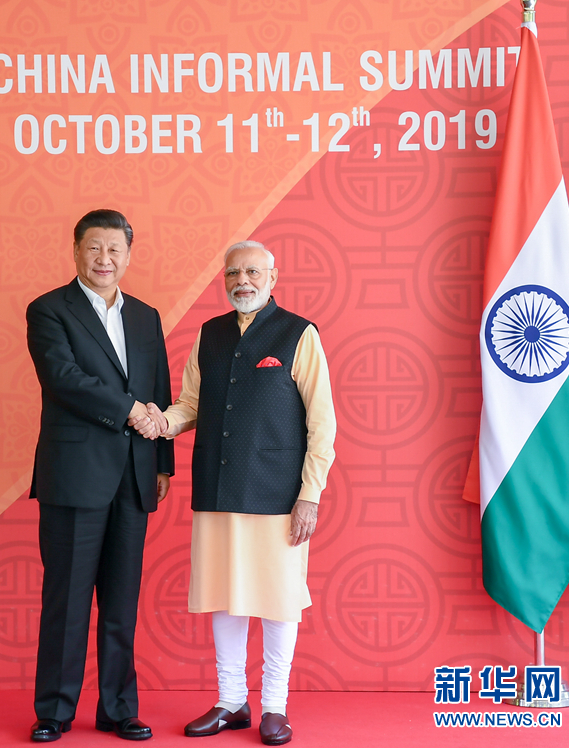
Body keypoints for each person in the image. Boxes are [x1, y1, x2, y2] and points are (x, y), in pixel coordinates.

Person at [133, 240, 336, 746]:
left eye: (252, 272)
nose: (242, 281)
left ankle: (274, 706)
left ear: (272, 278)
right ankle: (231, 701)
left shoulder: (299, 334)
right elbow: (191, 404)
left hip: (278, 493)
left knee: (278, 599)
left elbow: (323, 423)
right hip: (217, 486)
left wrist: (310, 494)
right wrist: (162, 422)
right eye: (233, 274)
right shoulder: (211, 334)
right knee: (225, 595)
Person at [26, 209, 174, 742]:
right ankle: (54, 711)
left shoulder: (146, 316)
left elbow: (159, 386)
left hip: (134, 476)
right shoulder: (49, 310)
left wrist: (162, 463)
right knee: (66, 601)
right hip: (74, 476)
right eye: (94, 248)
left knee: (121, 602)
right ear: (76, 251)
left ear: (128, 256)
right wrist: (130, 410)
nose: (104, 259)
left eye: (114, 249)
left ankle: (118, 709)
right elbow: (63, 379)